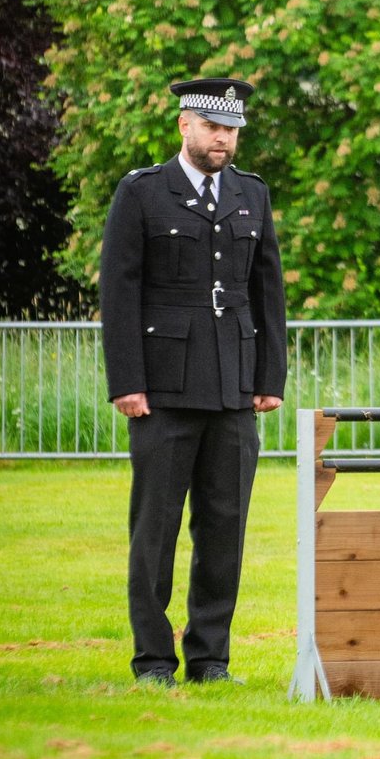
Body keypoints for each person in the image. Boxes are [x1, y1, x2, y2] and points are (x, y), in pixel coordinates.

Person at [100, 77, 287, 686]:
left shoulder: (250, 195)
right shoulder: (143, 193)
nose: (223, 139)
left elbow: (268, 293)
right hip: (163, 389)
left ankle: (210, 658)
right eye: (213, 127)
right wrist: (126, 381)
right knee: (154, 529)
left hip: (234, 389)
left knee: (224, 529)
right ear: (185, 125)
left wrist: (269, 378)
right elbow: (119, 291)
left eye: (231, 129)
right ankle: (153, 659)